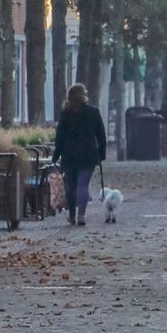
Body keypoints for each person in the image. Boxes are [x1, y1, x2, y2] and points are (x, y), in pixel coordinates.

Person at [52, 83, 107, 227]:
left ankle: (71, 215)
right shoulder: (93, 112)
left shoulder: (66, 114)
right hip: (88, 154)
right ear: (84, 95)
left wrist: (56, 155)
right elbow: (101, 134)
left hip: (70, 154)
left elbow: (60, 137)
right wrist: (102, 153)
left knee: (71, 185)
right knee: (83, 185)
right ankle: (81, 214)